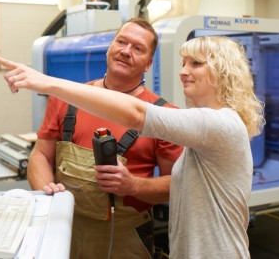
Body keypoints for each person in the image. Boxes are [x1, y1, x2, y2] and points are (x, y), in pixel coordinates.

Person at [0, 35, 265, 258]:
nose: (183, 71)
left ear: (222, 71)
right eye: (183, 63)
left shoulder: (219, 124)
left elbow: (135, 114)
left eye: (196, 63)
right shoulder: (209, 126)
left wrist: (47, 82)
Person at [26, 18, 183, 258]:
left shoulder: (163, 116)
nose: (126, 51)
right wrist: (46, 191)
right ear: (110, 47)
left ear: (149, 63)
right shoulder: (66, 99)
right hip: (63, 228)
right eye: (121, 42)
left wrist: (133, 185)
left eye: (138, 48)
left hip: (124, 238)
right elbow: (40, 155)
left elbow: (177, 185)